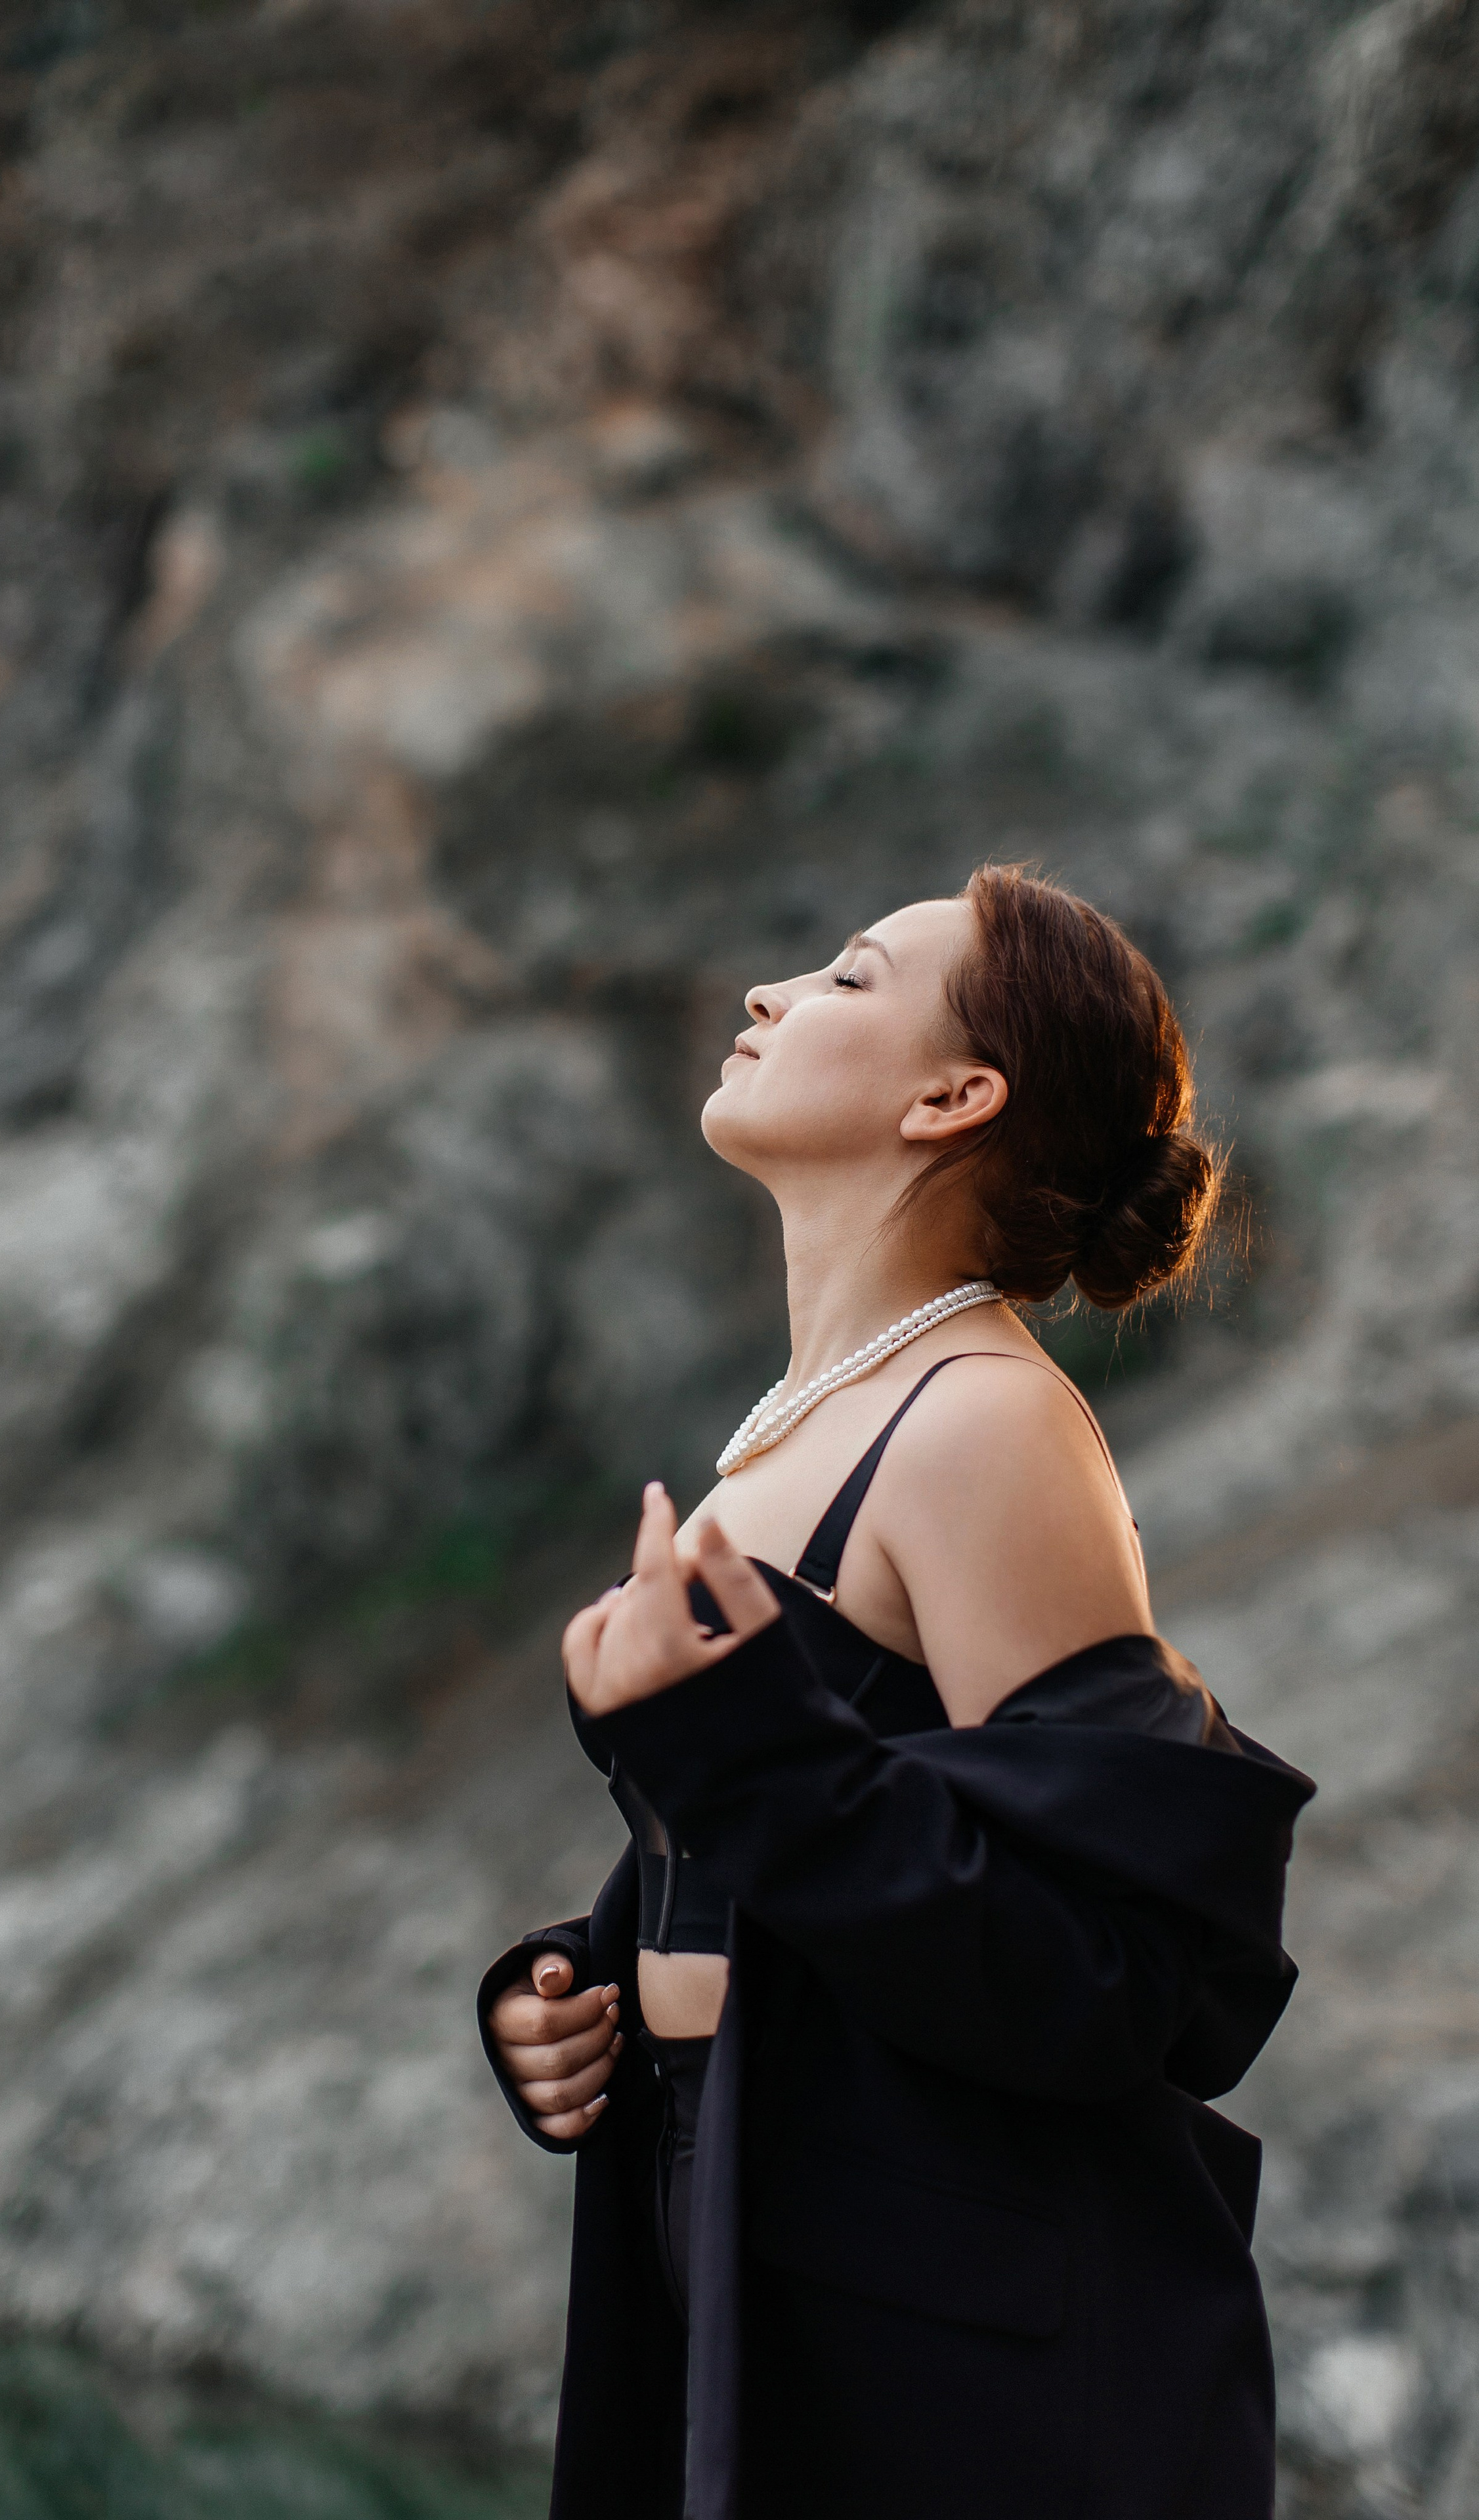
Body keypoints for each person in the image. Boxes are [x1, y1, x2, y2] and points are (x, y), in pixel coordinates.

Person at [477, 864, 1314, 2520]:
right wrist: (586, 1987)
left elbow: (1115, 1971)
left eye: (846, 978)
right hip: (737, 2241)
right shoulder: (794, 1429)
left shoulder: (982, 1425)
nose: (765, 995)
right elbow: (801, 1849)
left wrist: (724, 1745)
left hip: (945, 2354)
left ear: (953, 1096)